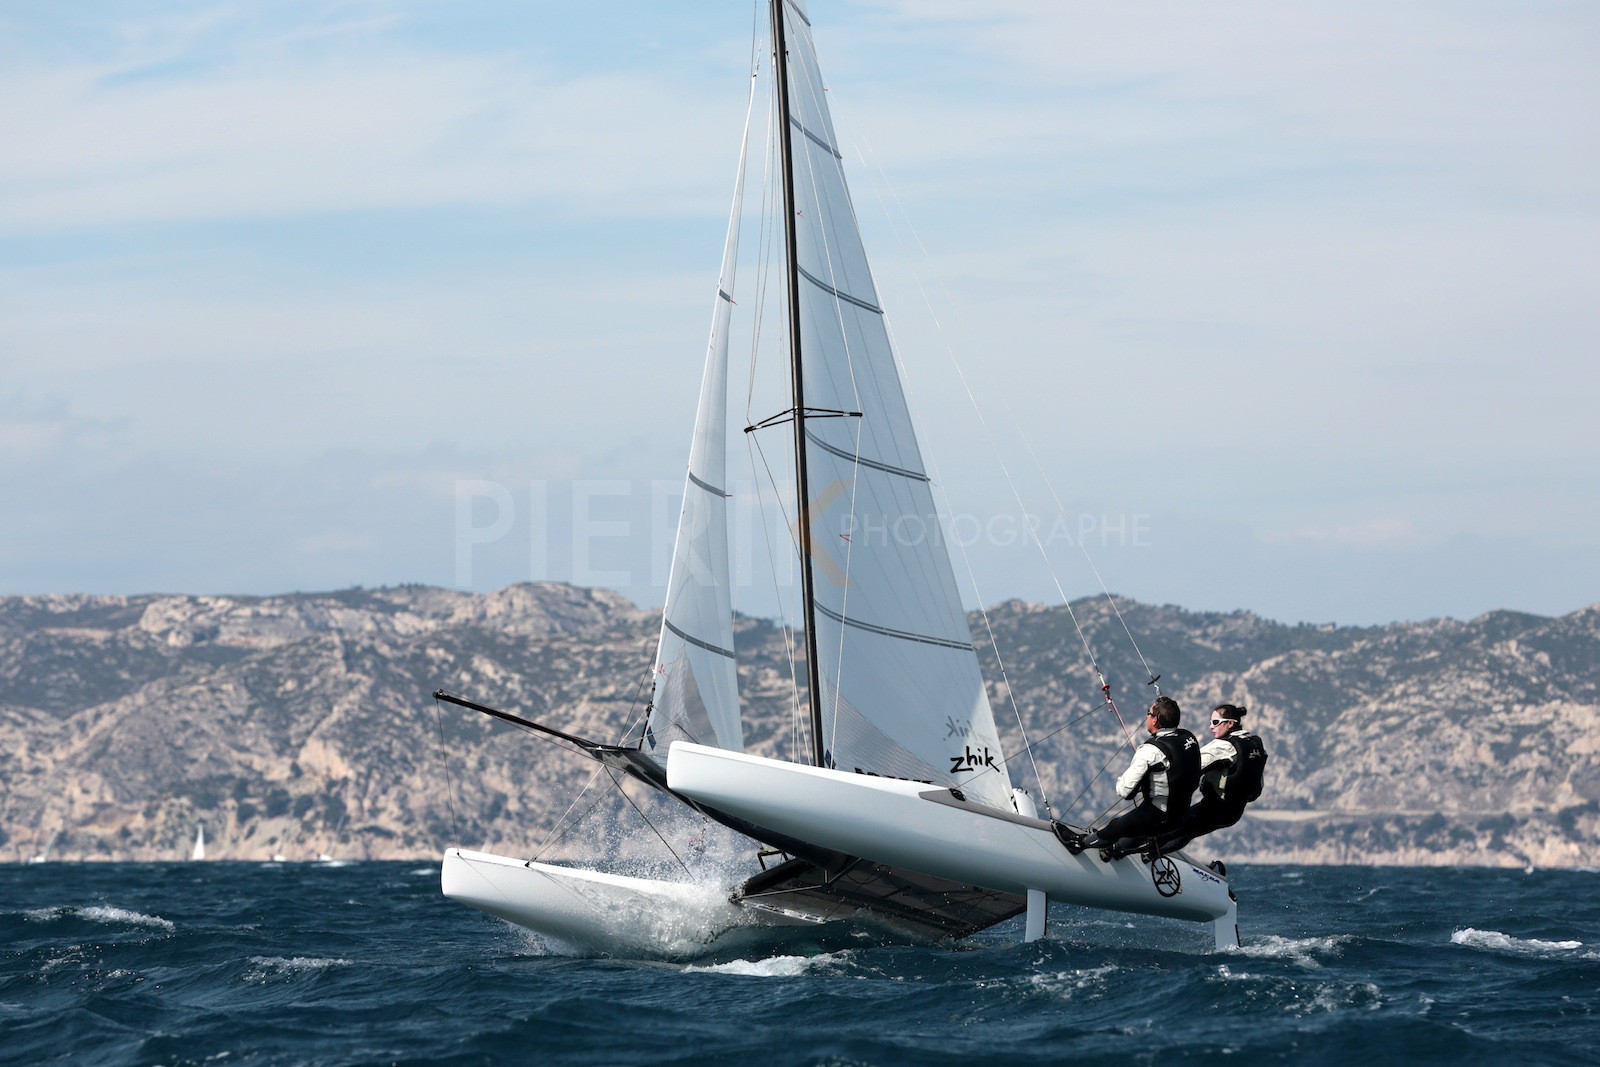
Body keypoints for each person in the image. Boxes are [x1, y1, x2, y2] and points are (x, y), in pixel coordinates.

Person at [1055, 695, 1200, 862]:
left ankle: (1078, 844)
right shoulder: (1189, 737)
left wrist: (1124, 780)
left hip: (1158, 816)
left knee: (1117, 826)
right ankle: (1115, 850)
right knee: (1138, 827)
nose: (1146, 716)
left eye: (1149, 713)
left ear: (1155, 720)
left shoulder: (1150, 751)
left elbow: (1123, 791)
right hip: (1181, 815)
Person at [1155, 703, 1268, 854]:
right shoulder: (1254, 743)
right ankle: (1155, 856)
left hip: (1214, 809)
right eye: (1210, 722)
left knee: (1169, 829)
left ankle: (1145, 856)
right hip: (1233, 813)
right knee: (1186, 832)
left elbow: (1190, 765)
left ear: (1230, 723)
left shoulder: (1223, 747)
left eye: (1215, 722)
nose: (1211, 727)